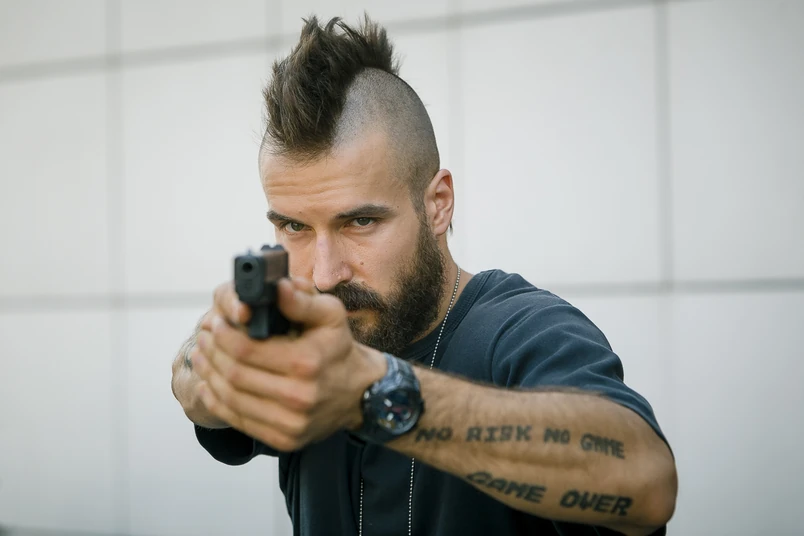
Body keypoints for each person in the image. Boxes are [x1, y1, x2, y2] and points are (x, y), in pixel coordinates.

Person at [170, 14, 677, 536]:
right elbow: (189, 379)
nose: (324, 275)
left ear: (437, 204)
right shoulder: (302, 341)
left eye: (360, 222)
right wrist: (218, 358)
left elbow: (648, 482)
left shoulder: (523, 331)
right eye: (295, 227)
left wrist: (369, 392)